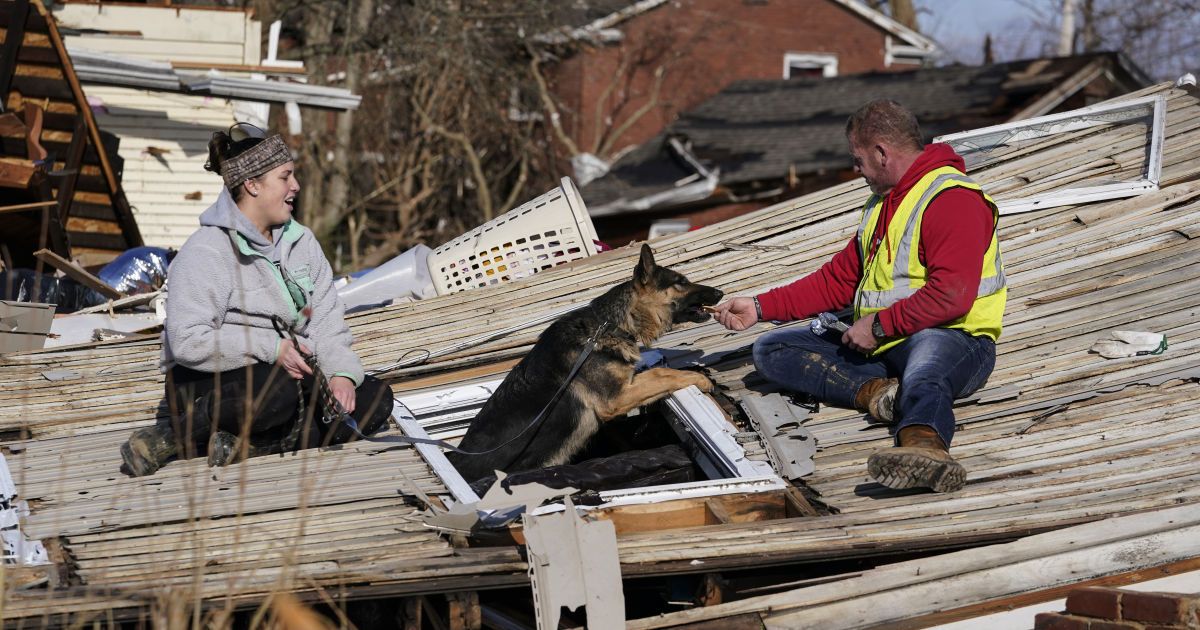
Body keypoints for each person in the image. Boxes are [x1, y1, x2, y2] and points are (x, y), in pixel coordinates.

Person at [713, 99, 1006, 493]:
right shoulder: (882, 203)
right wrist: (762, 307)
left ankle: (924, 446)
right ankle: (879, 396)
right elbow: (837, 281)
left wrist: (881, 326)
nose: (855, 169)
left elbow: (951, 296)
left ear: (882, 152)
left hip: (955, 340)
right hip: (887, 342)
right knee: (772, 350)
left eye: (858, 158)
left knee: (926, 368)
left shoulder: (952, 199)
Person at [120, 125, 394, 476]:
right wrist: (272, 348)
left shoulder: (302, 242)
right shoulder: (206, 251)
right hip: (210, 382)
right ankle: (170, 436)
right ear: (252, 184)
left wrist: (341, 375)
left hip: (288, 377)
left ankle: (252, 446)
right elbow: (187, 341)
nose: (295, 186)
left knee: (375, 398)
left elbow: (326, 319)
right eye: (285, 177)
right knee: (276, 394)